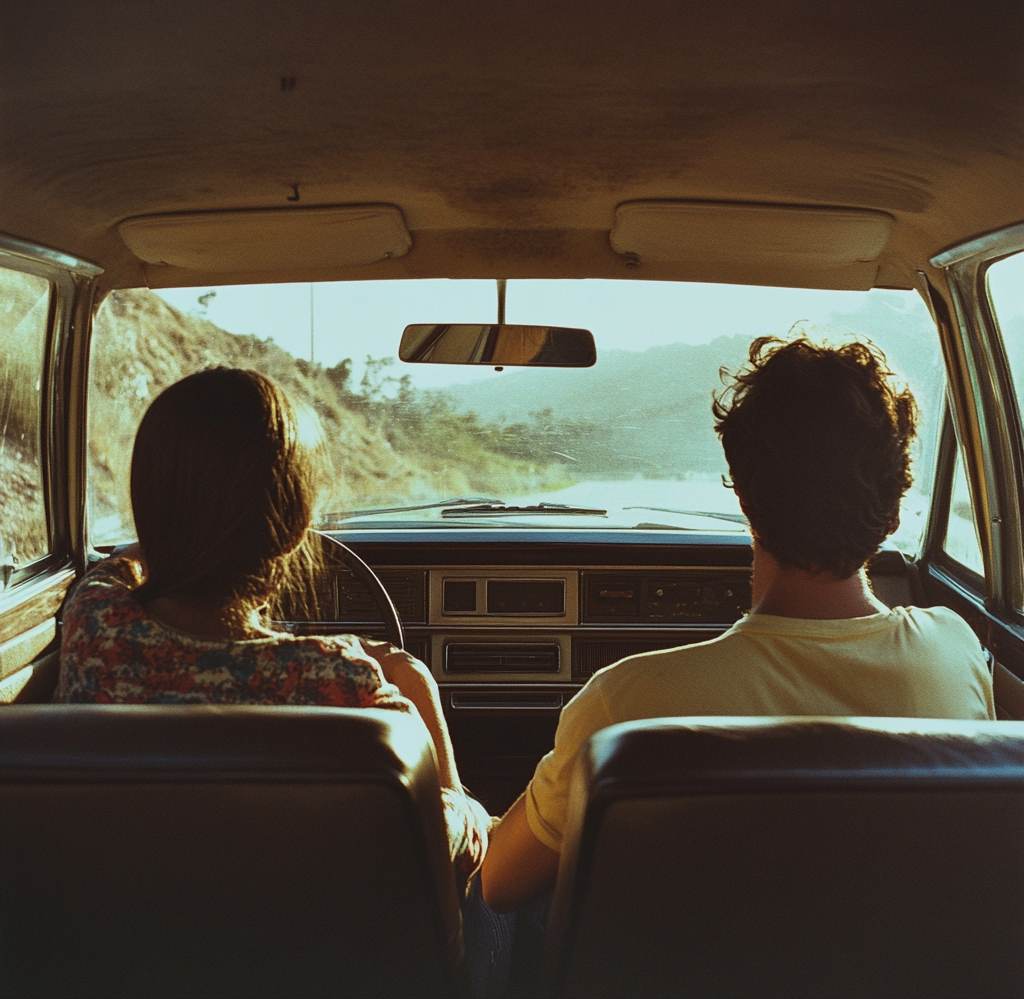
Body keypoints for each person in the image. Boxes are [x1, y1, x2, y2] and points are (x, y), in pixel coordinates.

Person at [480, 335, 996, 914]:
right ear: (895, 508)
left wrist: (447, 777)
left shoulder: (625, 707)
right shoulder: (957, 650)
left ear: (745, 496)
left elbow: (498, 887)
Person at [56, 367, 490, 898]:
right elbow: (454, 852)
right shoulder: (343, 683)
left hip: (130, 945)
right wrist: (416, 688)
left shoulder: (94, 621)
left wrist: (182, 520)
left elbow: (124, 562)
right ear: (295, 528)